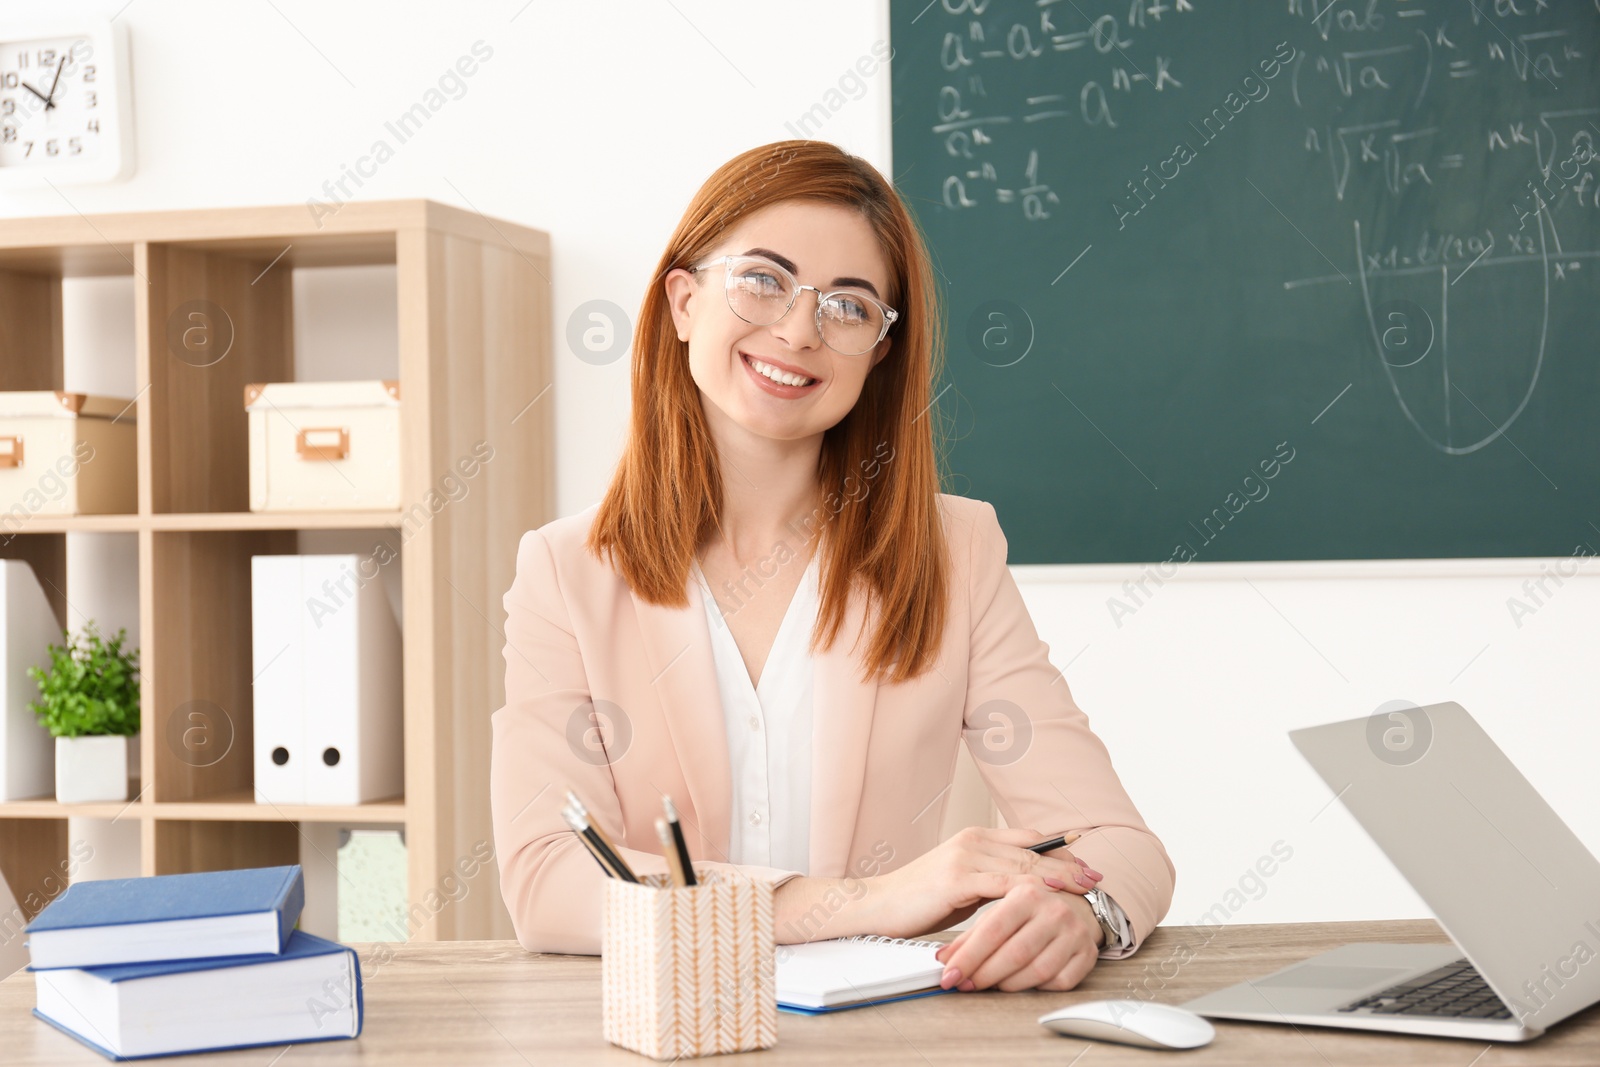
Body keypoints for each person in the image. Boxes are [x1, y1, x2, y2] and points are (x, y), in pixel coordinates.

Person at [490, 140, 1173, 993]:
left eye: (849, 306)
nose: (799, 330)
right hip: (654, 1029)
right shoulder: (565, 572)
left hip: (885, 1035)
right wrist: (869, 900)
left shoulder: (954, 553)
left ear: (880, 349)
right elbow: (549, 882)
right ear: (684, 299)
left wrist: (1079, 912)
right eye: (764, 280)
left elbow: (1123, 845)